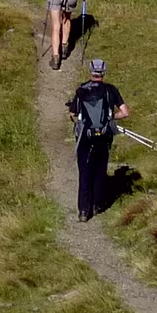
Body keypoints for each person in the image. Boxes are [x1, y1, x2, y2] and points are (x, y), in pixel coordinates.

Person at [65, 58, 129, 222]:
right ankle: (97, 205)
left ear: (91, 71)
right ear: (104, 72)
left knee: (84, 172)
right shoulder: (110, 90)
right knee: (100, 171)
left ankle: (83, 211)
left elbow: (72, 113)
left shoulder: (81, 90)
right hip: (104, 137)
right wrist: (110, 117)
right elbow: (125, 113)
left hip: (84, 138)